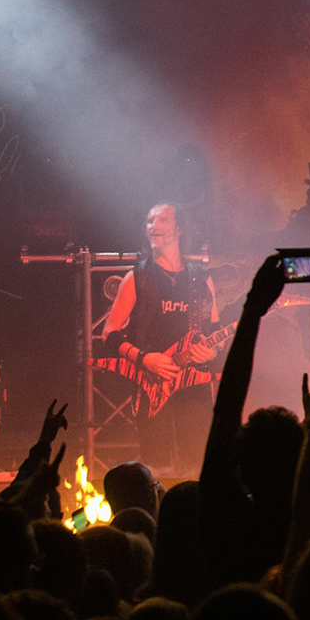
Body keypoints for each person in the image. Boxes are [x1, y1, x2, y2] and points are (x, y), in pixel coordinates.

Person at [98, 204, 222, 475]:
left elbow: (215, 332)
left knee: (197, 464)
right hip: (152, 383)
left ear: (178, 229)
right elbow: (110, 332)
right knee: (157, 465)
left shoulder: (200, 278)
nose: (154, 225)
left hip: (194, 382)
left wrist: (211, 352)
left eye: (162, 220)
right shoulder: (137, 278)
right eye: (150, 220)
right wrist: (144, 358)